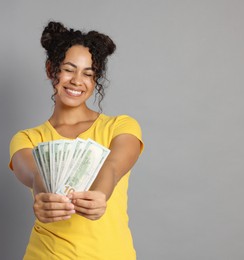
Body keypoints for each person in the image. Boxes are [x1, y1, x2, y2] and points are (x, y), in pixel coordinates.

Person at [9, 21, 144, 259]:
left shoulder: (120, 126)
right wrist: (44, 198)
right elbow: (35, 174)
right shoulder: (28, 139)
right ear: (52, 69)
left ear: (95, 80)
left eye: (88, 74)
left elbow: (113, 167)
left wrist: (101, 195)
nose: (77, 81)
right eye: (69, 69)